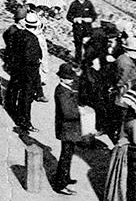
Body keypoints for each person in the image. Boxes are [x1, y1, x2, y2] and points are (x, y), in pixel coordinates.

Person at [3, 7, 43, 131]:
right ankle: (24, 121)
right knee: (26, 96)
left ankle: (10, 106)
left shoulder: (18, 34)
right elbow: (34, 57)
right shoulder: (33, 39)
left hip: (17, 67)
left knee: (14, 87)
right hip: (29, 70)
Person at [53, 62, 82, 195]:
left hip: (69, 128)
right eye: (69, 78)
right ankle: (60, 184)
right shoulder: (62, 92)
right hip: (66, 129)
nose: (72, 80)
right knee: (65, 155)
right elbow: (67, 112)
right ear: (62, 78)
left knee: (68, 154)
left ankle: (66, 177)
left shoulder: (65, 89)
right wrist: (80, 112)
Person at [66, 0, 97, 64]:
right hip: (78, 28)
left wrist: (90, 19)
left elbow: (94, 15)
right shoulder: (74, 4)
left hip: (87, 28)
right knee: (78, 45)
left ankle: (87, 61)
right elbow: (68, 16)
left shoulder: (88, 4)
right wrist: (75, 20)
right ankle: (78, 61)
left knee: (88, 45)